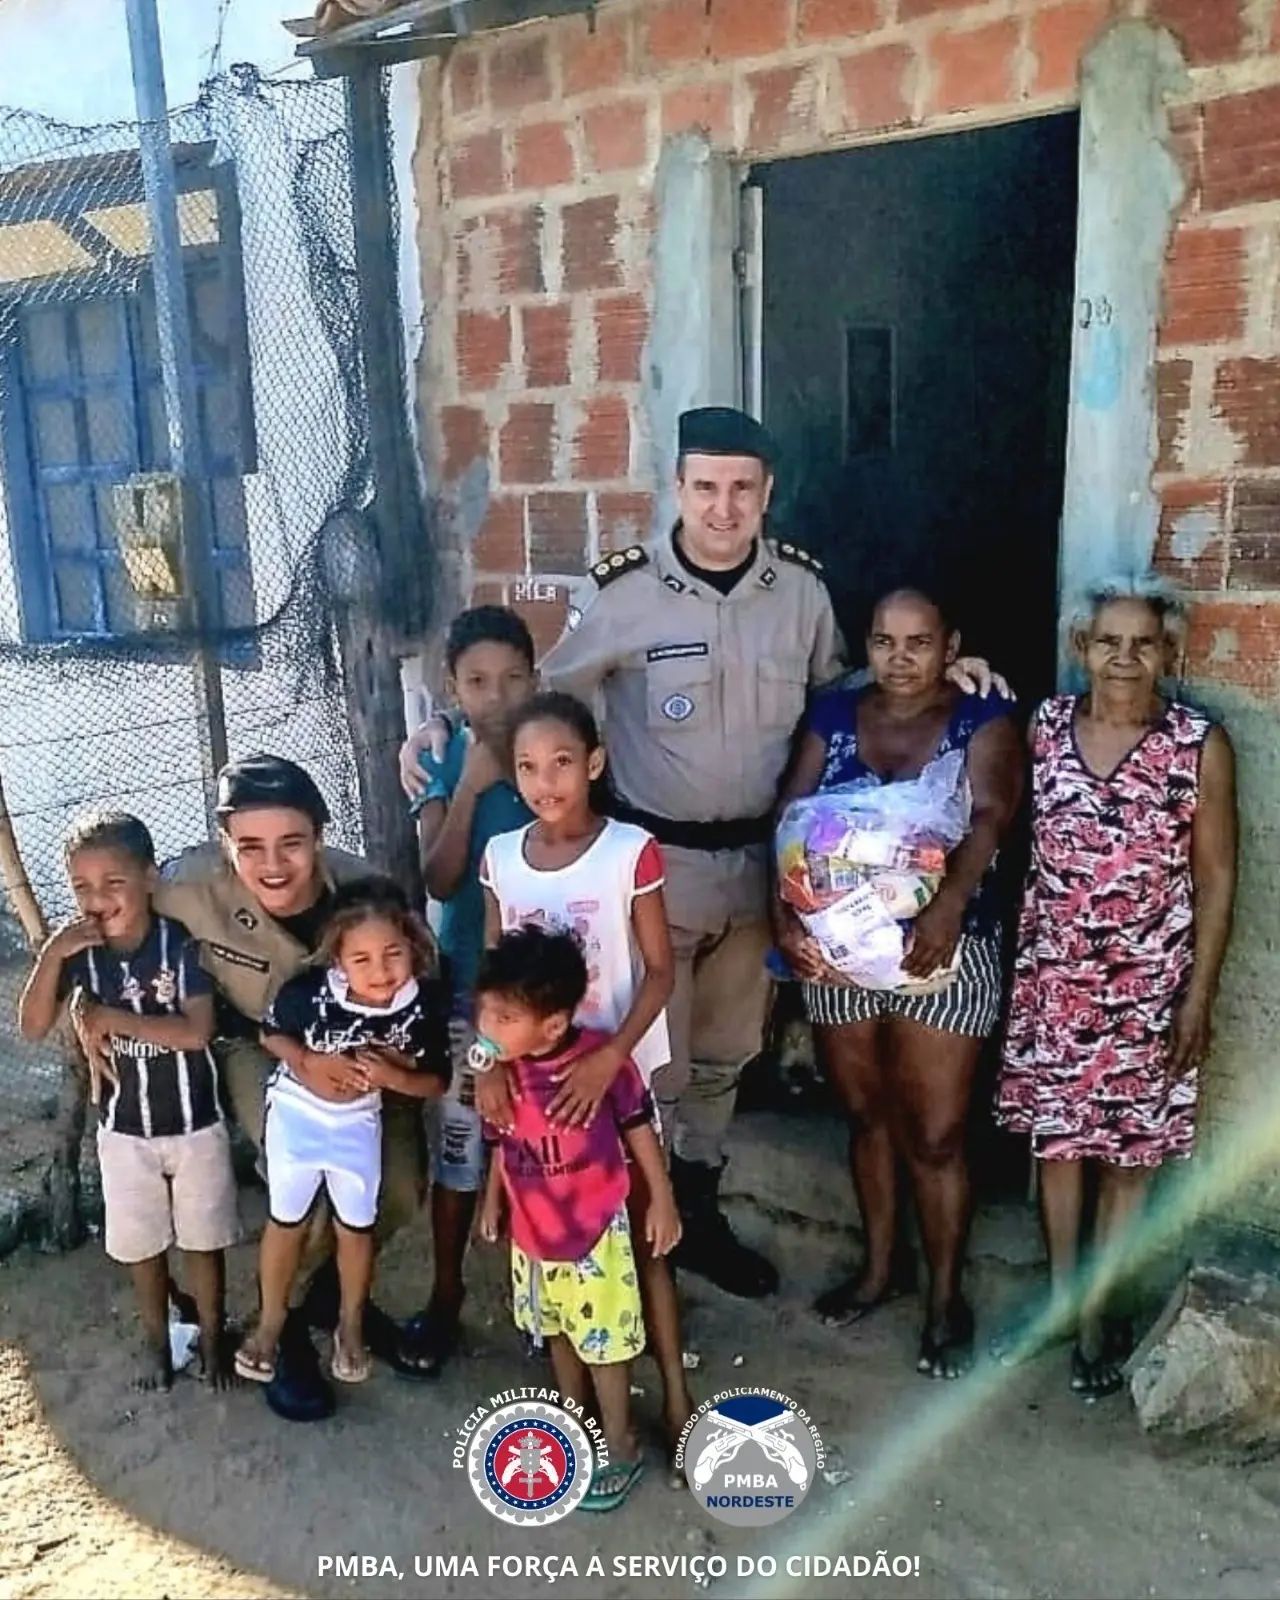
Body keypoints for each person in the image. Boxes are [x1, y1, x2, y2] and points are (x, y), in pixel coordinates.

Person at [403, 407, 1003, 1299]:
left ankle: (700, 1210)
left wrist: (948, 676)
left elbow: (845, 692)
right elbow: (541, 699)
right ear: (678, 490)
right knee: (657, 1059)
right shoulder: (626, 594)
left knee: (727, 1053)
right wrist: (443, 735)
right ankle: (639, 1229)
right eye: (706, 488)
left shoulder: (800, 594)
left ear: (768, 494)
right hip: (660, 865)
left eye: (742, 489)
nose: (724, 508)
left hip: (759, 867)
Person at [995, 576, 1237, 1399]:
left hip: (1150, 990)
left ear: (1168, 654)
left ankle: (1100, 1311)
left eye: (1144, 644)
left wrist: (1198, 997)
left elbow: (1217, 878)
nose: (1125, 659)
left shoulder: (1198, 745)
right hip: (1057, 982)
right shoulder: (1047, 727)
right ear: (1082, 649)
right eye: (1109, 642)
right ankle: (1064, 1304)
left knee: (1131, 1160)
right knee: (1060, 1149)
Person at [775, 590, 1023, 1378]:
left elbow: (991, 815)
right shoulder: (834, 716)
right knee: (865, 1116)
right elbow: (789, 816)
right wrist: (784, 920)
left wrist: (947, 908)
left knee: (937, 1134)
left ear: (951, 646)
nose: (901, 658)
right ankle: (881, 1270)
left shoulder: (982, 719)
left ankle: (946, 1298)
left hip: (942, 951)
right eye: (885, 641)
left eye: (919, 642)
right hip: (838, 949)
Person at [155, 753, 430, 1419]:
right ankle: (282, 1330)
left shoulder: (367, 891)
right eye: (249, 845)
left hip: (363, 1055)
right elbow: (114, 910)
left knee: (397, 1190)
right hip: (258, 1044)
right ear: (225, 843)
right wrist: (86, 999)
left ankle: (326, 1300)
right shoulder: (189, 887)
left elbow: (423, 983)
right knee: (298, 1192)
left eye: (293, 843)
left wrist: (389, 1063)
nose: (273, 864)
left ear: (321, 835)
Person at [478, 690, 692, 1463]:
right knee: (561, 1237)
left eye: (562, 762)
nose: (546, 782)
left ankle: (676, 1396)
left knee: (643, 1241)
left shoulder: (629, 851)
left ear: (595, 763)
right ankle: (594, 1410)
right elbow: (492, 979)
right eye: (528, 767)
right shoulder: (501, 857)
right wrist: (486, 1063)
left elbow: (661, 971)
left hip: (612, 1079)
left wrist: (610, 1056)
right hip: (536, 1089)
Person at [19, 813, 238, 1391]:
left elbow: (196, 1031)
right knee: (142, 1248)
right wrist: (51, 954)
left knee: (203, 1241)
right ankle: (157, 1346)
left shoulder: (178, 942)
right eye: (82, 888)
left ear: (149, 877)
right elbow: (32, 1025)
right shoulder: (79, 955)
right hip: (123, 1132)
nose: (97, 900)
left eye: (113, 883)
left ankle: (213, 1341)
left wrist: (111, 1018)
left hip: (195, 1124)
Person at [476, 926, 682, 1513]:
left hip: (595, 1236)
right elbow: (502, 1139)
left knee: (605, 1345)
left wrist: (662, 1199)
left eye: (504, 1018)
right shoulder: (503, 1071)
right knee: (560, 1330)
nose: (487, 1029)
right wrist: (492, 1201)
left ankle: (620, 1441)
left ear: (553, 1025)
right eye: (486, 1012)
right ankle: (576, 1418)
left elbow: (638, 1129)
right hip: (533, 1234)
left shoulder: (599, 1063)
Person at [236, 879, 450, 1387]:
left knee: (356, 1226)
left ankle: (349, 1323)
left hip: (358, 1120)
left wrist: (395, 1077)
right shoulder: (311, 994)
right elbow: (270, 1034)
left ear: (413, 947)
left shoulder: (421, 1006)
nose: (380, 971)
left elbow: (436, 1079)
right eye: (362, 959)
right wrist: (307, 1060)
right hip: (297, 1114)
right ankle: (271, 1322)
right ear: (337, 958)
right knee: (287, 1218)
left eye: (393, 954)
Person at [402, 605, 536, 1376]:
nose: (497, 696)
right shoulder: (443, 756)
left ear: (535, 679)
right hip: (468, 989)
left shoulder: (550, 745)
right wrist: (469, 789)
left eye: (513, 678)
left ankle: (544, 1301)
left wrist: (513, 772)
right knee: (461, 1145)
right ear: (453, 688)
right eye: (478, 682)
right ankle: (446, 1293)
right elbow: (439, 877)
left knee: (541, 1142)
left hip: (545, 991)